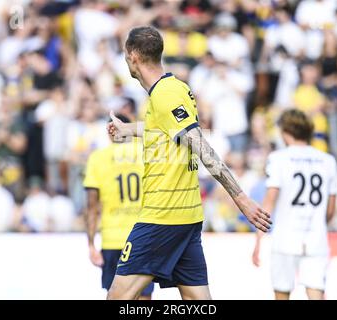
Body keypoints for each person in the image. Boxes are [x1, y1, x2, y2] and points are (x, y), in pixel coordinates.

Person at [106, 26, 271, 300]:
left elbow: (199, 145)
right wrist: (130, 130)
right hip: (188, 216)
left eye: (125, 54)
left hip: (162, 216)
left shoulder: (164, 94)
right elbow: (167, 130)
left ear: (133, 56)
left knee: (118, 298)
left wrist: (240, 198)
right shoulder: (175, 86)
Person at [252, 109, 337, 300]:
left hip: (285, 238)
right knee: (316, 292)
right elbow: (330, 210)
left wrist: (258, 239)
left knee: (282, 294)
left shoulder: (278, 159)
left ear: (285, 132)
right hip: (316, 238)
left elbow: (269, 202)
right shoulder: (328, 160)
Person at [83, 113, 154, 300]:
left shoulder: (98, 158)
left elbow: (92, 206)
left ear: (109, 132)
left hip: (112, 239)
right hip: (142, 237)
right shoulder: (144, 152)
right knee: (144, 297)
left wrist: (91, 244)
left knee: (115, 296)